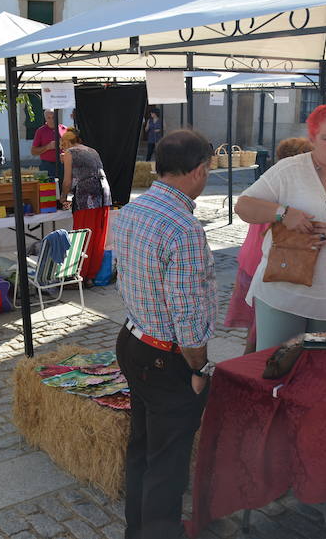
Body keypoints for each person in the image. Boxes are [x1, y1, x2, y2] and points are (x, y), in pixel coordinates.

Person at [114, 129, 216, 539]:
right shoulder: (184, 228)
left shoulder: (131, 210)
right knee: (167, 464)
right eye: (208, 169)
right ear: (197, 171)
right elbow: (188, 316)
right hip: (164, 355)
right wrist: (200, 367)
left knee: (142, 448)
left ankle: (136, 531)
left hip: (133, 340)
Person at [234, 105, 326, 351]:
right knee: (275, 370)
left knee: (320, 378)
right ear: (313, 139)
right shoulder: (289, 170)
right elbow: (243, 206)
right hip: (284, 295)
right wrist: (283, 213)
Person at [225, 137, 314, 354]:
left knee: (254, 331)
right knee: (259, 335)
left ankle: (246, 368)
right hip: (267, 267)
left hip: (250, 261)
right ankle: (248, 373)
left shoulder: (268, 184)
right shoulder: (290, 191)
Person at [59, 127, 111, 285]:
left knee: (81, 236)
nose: (61, 147)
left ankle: (78, 276)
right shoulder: (92, 150)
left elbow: (68, 181)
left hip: (87, 197)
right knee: (96, 237)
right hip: (104, 195)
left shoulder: (70, 153)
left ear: (67, 142)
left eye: (62, 143)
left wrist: (63, 198)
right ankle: (90, 276)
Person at [31, 109, 66, 179]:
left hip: (63, 164)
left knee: (63, 187)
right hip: (47, 165)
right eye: (48, 118)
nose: (51, 120)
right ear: (45, 119)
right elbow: (33, 151)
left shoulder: (64, 129)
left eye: (53, 117)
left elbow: (71, 146)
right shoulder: (40, 131)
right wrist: (48, 147)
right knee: (48, 188)